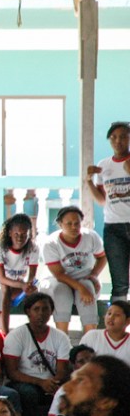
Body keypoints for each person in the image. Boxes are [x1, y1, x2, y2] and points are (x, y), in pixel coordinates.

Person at [3, 292, 71, 416]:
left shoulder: (61, 337)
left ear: (51, 312)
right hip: (24, 381)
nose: (41, 313)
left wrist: (53, 383)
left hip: (51, 382)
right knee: (29, 394)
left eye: (45, 309)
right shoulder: (17, 335)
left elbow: (62, 370)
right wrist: (40, 382)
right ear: (28, 311)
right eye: (36, 309)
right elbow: (12, 372)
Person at [41, 206, 106, 334]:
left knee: (88, 286)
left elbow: (102, 257)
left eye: (77, 223)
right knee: (62, 291)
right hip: (56, 281)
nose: (73, 227)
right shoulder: (51, 243)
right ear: (60, 224)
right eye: (69, 224)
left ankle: (89, 338)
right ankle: (63, 337)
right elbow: (59, 274)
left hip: (83, 278)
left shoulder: (91, 237)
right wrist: (80, 288)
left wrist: (94, 275)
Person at [86, 120, 130, 302]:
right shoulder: (103, 165)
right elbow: (102, 200)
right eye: (114, 137)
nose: (118, 141)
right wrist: (89, 180)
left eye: (123, 137)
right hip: (113, 227)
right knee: (119, 279)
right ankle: (120, 315)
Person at [0, 213, 39, 333]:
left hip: (18, 284)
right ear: (9, 233)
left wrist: (28, 285)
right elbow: (2, 278)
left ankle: (35, 330)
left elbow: (32, 276)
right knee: (5, 290)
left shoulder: (33, 248)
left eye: (24, 234)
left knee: (34, 292)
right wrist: (22, 285)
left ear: (29, 235)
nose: (20, 238)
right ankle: (5, 332)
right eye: (16, 234)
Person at [79, 299, 130, 367]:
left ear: (128, 321)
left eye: (117, 315)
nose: (111, 317)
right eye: (109, 313)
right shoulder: (92, 336)